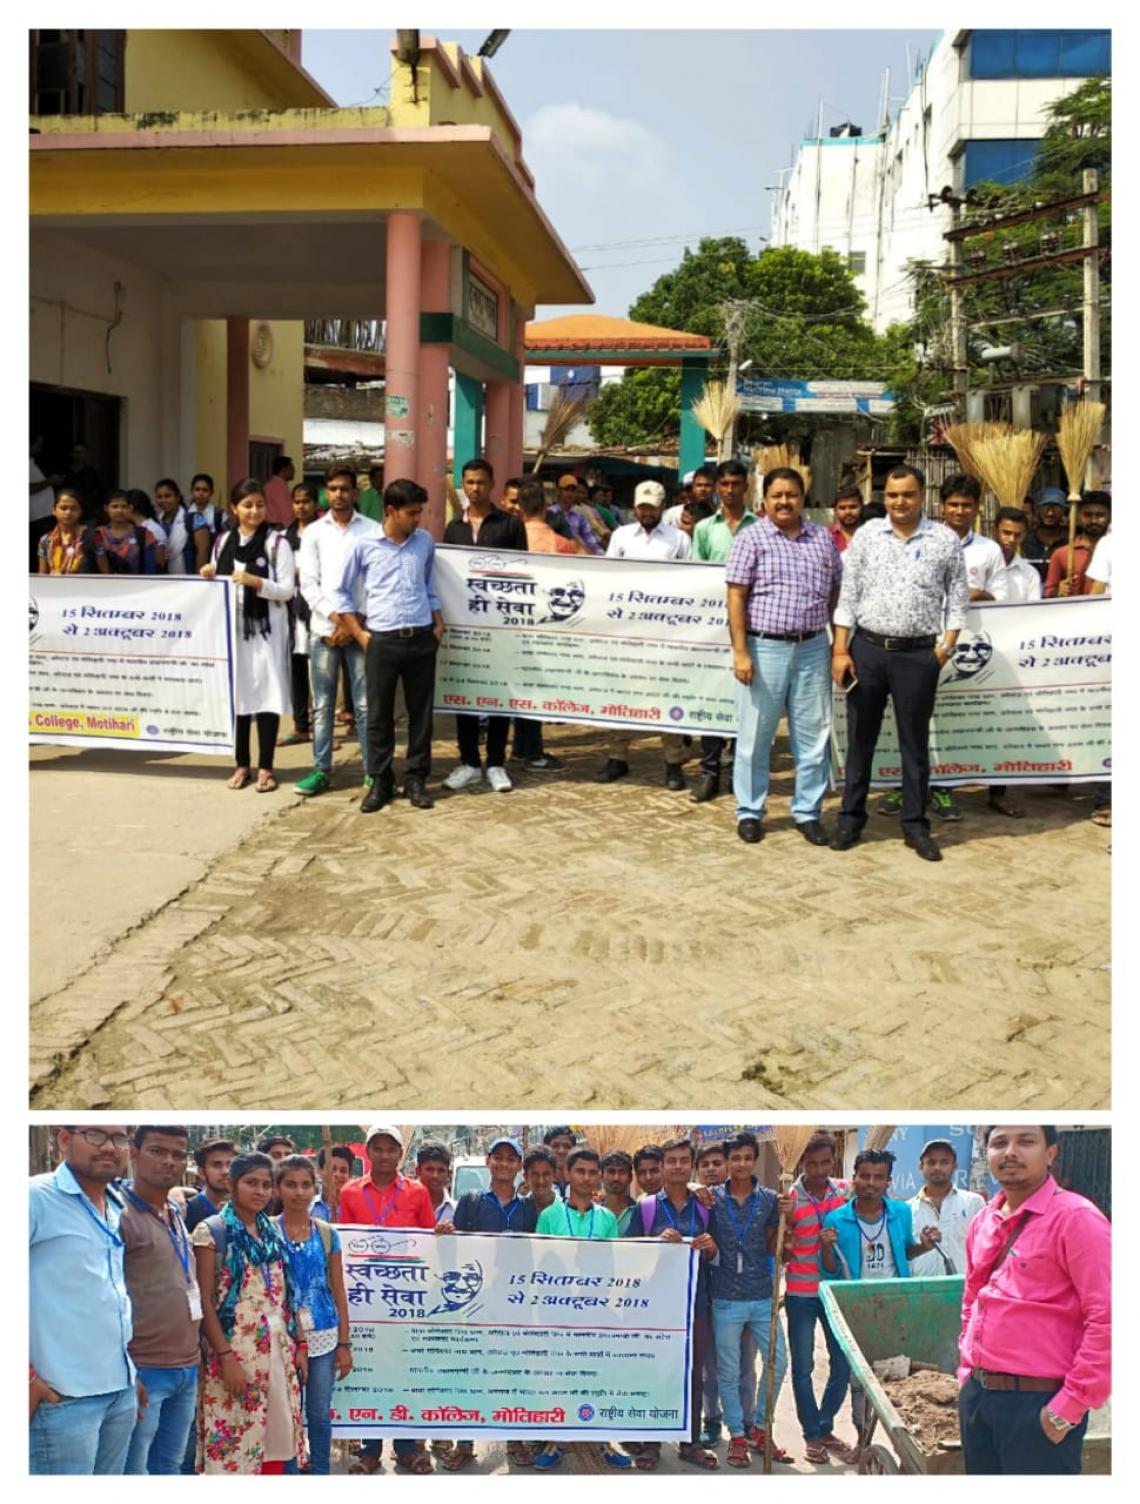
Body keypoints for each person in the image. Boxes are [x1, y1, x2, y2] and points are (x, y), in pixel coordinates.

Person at [830, 463, 969, 862]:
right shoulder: (868, 536)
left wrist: (943, 650)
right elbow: (847, 598)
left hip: (918, 656)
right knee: (861, 741)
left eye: (907, 494)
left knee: (914, 744)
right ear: (884, 497)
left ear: (922, 495)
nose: (899, 502)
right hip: (868, 652)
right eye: (891, 495)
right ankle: (851, 820)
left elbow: (957, 601)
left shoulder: (944, 539)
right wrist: (841, 650)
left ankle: (915, 825)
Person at [958, 1126, 1111, 1475]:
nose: (1010, 1152)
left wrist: (1067, 1407)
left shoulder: (1077, 1219)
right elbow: (972, 1300)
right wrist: (966, 1373)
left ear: (1051, 1153)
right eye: (999, 1143)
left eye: (1026, 1141)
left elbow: (1108, 1318)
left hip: (1039, 1404)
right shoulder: (983, 1221)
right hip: (978, 1400)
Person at [725, 465, 843, 846]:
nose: (784, 501)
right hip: (764, 649)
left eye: (791, 494)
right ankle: (750, 811)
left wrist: (825, 634)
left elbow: (836, 590)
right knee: (756, 737)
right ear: (764, 499)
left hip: (812, 648)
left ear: (802, 498)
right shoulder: (751, 538)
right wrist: (741, 651)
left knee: (813, 736)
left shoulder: (822, 540)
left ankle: (808, 811)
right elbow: (736, 596)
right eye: (777, 495)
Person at [879, 473, 1003, 823]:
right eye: (953, 504)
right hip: (920, 646)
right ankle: (905, 785)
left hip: (969, 649)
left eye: (966, 505)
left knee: (949, 722)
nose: (959, 511)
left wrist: (971, 594)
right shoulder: (927, 539)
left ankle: (945, 787)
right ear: (941, 506)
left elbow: (1003, 596)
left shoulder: (989, 550)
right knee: (910, 723)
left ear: (977, 509)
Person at [30, 1124, 141, 1476]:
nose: (109, 1147)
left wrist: (128, 1373)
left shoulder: (113, 1204)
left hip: (118, 1391)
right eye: (96, 1136)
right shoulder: (34, 1198)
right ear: (64, 1140)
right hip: (62, 1398)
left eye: (119, 1139)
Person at [330, 478, 444, 815]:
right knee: (378, 715)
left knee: (421, 714)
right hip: (382, 640)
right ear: (391, 511)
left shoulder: (424, 542)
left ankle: (416, 779)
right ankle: (380, 780)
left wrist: (438, 623)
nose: (417, 519)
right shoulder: (364, 545)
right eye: (411, 513)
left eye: (419, 512)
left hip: (422, 636)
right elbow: (339, 592)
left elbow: (429, 584)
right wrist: (360, 633)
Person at [191, 1150, 307, 1473]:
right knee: (234, 1446)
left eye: (266, 1184)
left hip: (275, 1353)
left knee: (275, 1440)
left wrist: (298, 1344)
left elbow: (284, 1296)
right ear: (232, 1184)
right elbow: (204, 1302)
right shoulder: (212, 1232)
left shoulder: (270, 1233)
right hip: (233, 1355)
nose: (260, 1191)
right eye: (250, 1183)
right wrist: (226, 1357)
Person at [821, 1149, 939, 1447]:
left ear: (888, 1181)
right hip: (855, 1306)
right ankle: (863, 1441)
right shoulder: (837, 1218)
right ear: (854, 1179)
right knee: (858, 1380)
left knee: (895, 1370)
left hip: (895, 1302)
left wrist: (924, 1246)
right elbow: (831, 1271)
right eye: (864, 1176)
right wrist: (825, 1248)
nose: (870, 1183)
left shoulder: (900, 1212)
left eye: (878, 1177)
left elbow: (905, 1251)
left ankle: (901, 1439)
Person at [435, 1137, 538, 1470]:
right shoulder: (472, 1201)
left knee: (512, 1372)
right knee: (472, 1371)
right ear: (489, 1162)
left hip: (515, 1305)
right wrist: (446, 1234)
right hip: (478, 1305)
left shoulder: (527, 1207)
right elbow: (457, 1254)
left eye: (512, 1159)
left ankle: (514, 1438)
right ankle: (466, 1442)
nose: (505, 1164)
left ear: (519, 1166)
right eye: (499, 1158)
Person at [339, 1126, 436, 1474]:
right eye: (376, 1148)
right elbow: (344, 1248)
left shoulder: (418, 1192)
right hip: (364, 1300)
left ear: (400, 1154)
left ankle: (407, 1448)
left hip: (404, 1299)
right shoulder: (350, 1193)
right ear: (367, 1152)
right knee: (368, 1372)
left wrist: (441, 1236)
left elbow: (428, 1244)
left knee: (405, 1371)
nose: (383, 1155)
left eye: (390, 1149)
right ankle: (369, 1449)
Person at [621, 1137, 719, 1472]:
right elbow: (628, 1253)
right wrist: (654, 1244)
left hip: (695, 1304)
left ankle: (690, 1442)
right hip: (656, 1307)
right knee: (655, 1372)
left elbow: (718, 1252)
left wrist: (709, 1248)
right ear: (663, 1166)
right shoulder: (646, 1208)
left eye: (683, 1161)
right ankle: (650, 1444)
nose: (677, 1166)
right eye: (671, 1161)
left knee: (693, 1375)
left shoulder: (706, 1205)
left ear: (691, 1165)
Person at [535, 1148, 631, 1470]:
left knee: (597, 1376)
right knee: (560, 1376)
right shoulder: (549, 1215)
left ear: (598, 1177)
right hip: (558, 1313)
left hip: (595, 1309)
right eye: (580, 1171)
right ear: (568, 1174)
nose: (587, 1178)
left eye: (593, 1172)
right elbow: (541, 1263)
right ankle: (557, 1439)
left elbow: (614, 1265)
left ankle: (602, 1441)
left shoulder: (606, 1219)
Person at [594, 479, 692, 788]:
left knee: (667, 693)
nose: (646, 512)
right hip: (626, 629)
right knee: (619, 692)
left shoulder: (679, 539)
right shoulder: (621, 536)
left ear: (662, 507)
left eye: (651, 506)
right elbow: (609, 578)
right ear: (635, 507)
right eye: (641, 506)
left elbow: (689, 582)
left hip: (665, 631)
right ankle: (617, 756)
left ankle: (673, 761)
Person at [201, 479, 295, 793]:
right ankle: (241, 764)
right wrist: (209, 573)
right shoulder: (223, 541)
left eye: (259, 504)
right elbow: (218, 579)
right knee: (239, 697)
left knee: (266, 696)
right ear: (234, 508)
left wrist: (257, 582)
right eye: (247, 505)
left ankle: (266, 766)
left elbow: (287, 590)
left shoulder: (276, 542)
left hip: (266, 631)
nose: (254, 511)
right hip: (234, 631)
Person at [443, 458, 529, 794]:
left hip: (500, 627)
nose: (474, 488)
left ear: (491, 484)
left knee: (498, 695)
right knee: (466, 694)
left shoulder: (509, 524)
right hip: (465, 626)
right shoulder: (454, 529)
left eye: (480, 482)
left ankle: (495, 763)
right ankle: (468, 762)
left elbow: (523, 573)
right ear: (462, 485)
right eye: (469, 482)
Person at [120, 1126, 201, 1475]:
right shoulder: (119, 1215)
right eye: (157, 1151)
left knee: (169, 1466)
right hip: (144, 1368)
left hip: (187, 1366)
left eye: (178, 1154)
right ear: (134, 1153)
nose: (169, 1161)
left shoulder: (174, 1210)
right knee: (135, 1469)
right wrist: (124, 1367)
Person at [295, 464, 381, 795]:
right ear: (325, 492)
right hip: (324, 630)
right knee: (323, 705)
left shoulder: (372, 531)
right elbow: (309, 584)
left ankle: (372, 771)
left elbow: (375, 584)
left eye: (345, 488)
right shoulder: (314, 532)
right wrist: (336, 618)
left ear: (355, 492)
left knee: (363, 705)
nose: (338, 495)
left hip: (360, 630)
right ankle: (321, 770)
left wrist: (353, 623)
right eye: (332, 489)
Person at [707, 1132, 790, 1469]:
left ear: (755, 1159)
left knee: (778, 1362)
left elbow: (774, 1245)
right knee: (729, 1371)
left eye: (746, 1157)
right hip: (725, 1297)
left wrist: (789, 1215)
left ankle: (760, 1426)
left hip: (761, 1296)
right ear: (728, 1162)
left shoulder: (771, 1199)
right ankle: (737, 1436)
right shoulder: (710, 1198)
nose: (740, 1164)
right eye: (735, 1158)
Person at [273, 1155, 352, 1476]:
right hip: (281, 1339)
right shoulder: (267, 1232)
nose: (299, 1192)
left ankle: (320, 1473)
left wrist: (345, 1343)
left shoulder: (327, 1233)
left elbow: (338, 1290)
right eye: (291, 1184)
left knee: (319, 1414)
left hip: (324, 1337)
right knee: (287, 1413)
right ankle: (289, 1472)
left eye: (306, 1185)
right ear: (278, 1188)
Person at [689, 459, 759, 803]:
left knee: (744, 696)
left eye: (736, 483)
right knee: (710, 694)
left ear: (746, 486)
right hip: (712, 626)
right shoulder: (704, 529)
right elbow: (696, 578)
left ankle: (735, 767)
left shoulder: (760, 527)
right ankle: (709, 769)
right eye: (724, 484)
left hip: (751, 626)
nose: (730, 490)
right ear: (717, 487)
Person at [784, 1133, 854, 1465]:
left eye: (824, 1162)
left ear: (833, 1159)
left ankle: (825, 1425)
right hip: (800, 1292)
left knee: (842, 1363)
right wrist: (783, 1228)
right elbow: (781, 1244)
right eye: (811, 1163)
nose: (818, 1169)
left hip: (836, 1292)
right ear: (802, 1164)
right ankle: (812, 1433)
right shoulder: (790, 1197)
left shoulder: (846, 1191)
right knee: (803, 1367)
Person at [508, 478, 575, 770]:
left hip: (514, 622)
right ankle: (533, 751)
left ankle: (522, 747)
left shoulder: (509, 539)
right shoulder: (561, 544)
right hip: (549, 624)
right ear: (546, 507)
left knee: (521, 686)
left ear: (519, 508)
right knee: (536, 687)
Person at [278, 483, 320, 746]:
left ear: (315, 504)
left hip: (316, 608)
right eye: (296, 502)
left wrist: (302, 574)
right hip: (290, 609)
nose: (301, 506)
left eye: (306, 501)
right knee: (296, 669)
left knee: (319, 672)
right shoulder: (283, 538)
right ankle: (300, 725)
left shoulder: (323, 534)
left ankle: (322, 729)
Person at [907, 1138, 985, 1277]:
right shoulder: (907, 1209)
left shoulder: (973, 1202)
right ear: (921, 1166)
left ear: (954, 1165)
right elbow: (904, 1253)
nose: (937, 1167)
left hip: (962, 1290)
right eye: (931, 1162)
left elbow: (984, 1250)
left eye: (944, 1162)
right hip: (920, 1292)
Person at [1044, 492, 1111, 598]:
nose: (1094, 520)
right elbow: (1048, 593)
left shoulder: (1114, 550)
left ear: (1110, 516)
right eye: (1088, 515)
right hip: (1073, 612)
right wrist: (1059, 591)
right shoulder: (1061, 554)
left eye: (1100, 515)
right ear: (1079, 516)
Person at [88, 490, 157, 574]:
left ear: (130, 508)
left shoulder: (144, 534)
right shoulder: (99, 535)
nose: (119, 511)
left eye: (124, 506)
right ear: (106, 508)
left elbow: (150, 569)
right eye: (114, 507)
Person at [155, 476, 212, 575]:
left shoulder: (195, 519)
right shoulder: (157, 522)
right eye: (159, 497)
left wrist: (198, 580)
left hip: (189, 579)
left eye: (168, 496)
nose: (163, 500)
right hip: (163, 580)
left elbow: (203, 550)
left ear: (177, 497)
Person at [989, 507, 1044, 604]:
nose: (1011, 539)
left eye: (1017, 535)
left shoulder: (1030, 574)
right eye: (1006, 533)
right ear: (994, 531)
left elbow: (1034, 610)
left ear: (1024, 536)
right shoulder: (980, 565)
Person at [183, 1138, 236, 1231]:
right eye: (217, 1165)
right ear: (202, 1172)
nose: (226, 1171)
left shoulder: (248, 1208)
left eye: (230, 1164)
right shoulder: (188, 1210)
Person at [549, 473, 605, 554]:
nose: (570, 493)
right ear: (558, 491)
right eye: (567, 490)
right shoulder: (550, 513)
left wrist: (602, 557)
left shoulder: (579, 515)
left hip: (575, 558)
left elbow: (591, 541)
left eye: (573, 490)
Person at [37, 488, 87, 574]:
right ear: (54, 511)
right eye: (63, 508)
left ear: (80, 511)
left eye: (73, 508)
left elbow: (104, 573)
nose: (68, 512)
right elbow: (42, 574)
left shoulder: (91, 537)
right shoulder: (45, 540)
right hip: (53, 586)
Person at [1022, 486, 1068, 580]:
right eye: (1045, 506)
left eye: (1056, 506)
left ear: (1064, 510)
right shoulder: (1024, 541)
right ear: (1037, 509)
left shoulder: (1071, 541)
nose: (1050, 512)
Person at [30, 432, 59, 570]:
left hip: (43, 515)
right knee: (39, 552)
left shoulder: (32, 462)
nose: (39, 449)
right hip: (36, 517)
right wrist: (49, 482)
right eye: (37, 445)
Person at [414, 1141, 456, 1224]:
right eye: (429, 1169)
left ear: (449, 1173)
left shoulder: (456, 1212)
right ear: (418, 1171)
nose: (435, 1176)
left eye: (441, 1170)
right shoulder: (403, 1206)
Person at [600, 1150, 639, 1234]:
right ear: (601, 1176)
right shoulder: (592, 1213)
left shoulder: (640, 1212)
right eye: (611, 1171)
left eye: (622, 1172)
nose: (616, 1178)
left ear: (630, 1177)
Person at [312, 1145, 355, 1221]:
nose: (337, 1174)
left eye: (343, 1171)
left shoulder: (354, 1209)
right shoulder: (308, 1207)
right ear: (319, 1170)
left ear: (350, 1175)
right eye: (332, 1169)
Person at [522, 1145, 559, 1215]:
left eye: (546, 1174)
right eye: (535, 1174)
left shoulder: (567, 1211)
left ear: (554, 1175)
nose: (540, 1181)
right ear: (526, 1177)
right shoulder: (517, 1212)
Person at [262, 454, 296, 529]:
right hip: (277, 527)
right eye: (291, 469)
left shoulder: (269, 485)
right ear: (284, 470)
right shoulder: (280, 487)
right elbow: (286, 512)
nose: (294, 472)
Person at [189, 472, 226, 538]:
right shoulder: (185, 513)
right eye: (197, 489)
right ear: (191, 491)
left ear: (211, 493)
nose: (201, 493)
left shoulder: (219, 514)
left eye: (205, 490)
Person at [543, 1126, 576, 1198]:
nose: (561, 1151)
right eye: (555, 1146)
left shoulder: (581, 1184)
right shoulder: (539, 1184)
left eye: (567, 1146)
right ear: (546, 1149)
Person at [828, 486, 864, 552]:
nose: (848, 512)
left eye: (853, 507)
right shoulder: (826, 536)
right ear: (835, 510)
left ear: (861, 507)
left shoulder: (871, 534)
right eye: (842, 508)